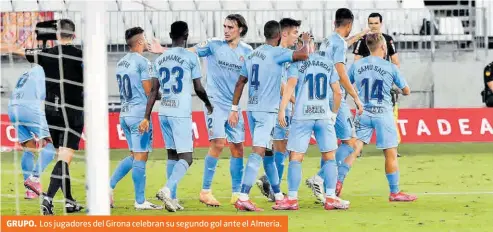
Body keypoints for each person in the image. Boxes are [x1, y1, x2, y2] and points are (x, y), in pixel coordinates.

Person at [148, 14, 253, 206]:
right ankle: (205, 191)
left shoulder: (247, 51)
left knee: (238, 147)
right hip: (214, 103)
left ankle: (236, 193)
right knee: (219, 143)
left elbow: (248, 78)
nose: (226, 30)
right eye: (225, 26)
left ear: (241, 29)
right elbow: (188, 51)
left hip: (235, 106)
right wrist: (163, 50)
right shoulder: (213, 44)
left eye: (230, 27)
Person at [2, 19, 84, 215]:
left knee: (54, 154)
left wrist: (4, 44)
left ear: (57, 36)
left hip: (45, 111)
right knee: (64, 157)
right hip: (70, 112)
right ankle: (45, 195)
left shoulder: (45, 55)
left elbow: (18, 50)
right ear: (74, 35)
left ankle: (69, 201)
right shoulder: (81, 56)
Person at [227, 20, 310, 212]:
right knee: (258, 152)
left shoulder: (252, 54)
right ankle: (243, 196)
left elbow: (240, 82)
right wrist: (304, 41)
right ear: (279, 35)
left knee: (269, 153)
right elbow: (304, 55)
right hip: (267, 112)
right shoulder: (278, 53)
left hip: (252, 110)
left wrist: (234, 107)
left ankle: (279, 195)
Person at [139, 21, 213, 212]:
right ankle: (166, 189)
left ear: (170, 36)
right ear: (187, 35)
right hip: (180, 113)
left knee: (172, 154)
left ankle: (172, 197)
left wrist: (147, 116)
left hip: (163, 111)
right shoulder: (190, 57)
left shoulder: (160, 59)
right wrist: (207, 103)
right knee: (187, 157)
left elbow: (154, 91)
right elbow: (198, 87)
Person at [273, 35, 349, 211]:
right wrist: (333, 114)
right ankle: (330, 198)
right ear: (313, 45)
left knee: (296, 158)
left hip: (302, 116)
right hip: (323, 116)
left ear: (300, 46)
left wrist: (282, 108)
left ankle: (292, 199)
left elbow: (290, 86)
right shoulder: (327, 62)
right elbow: (338, 93)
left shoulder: (297, 63)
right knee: (329, 157)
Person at [348, 33, 417, 202]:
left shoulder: (356, 65)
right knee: (390, 154)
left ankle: (336, 185)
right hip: (383, 114)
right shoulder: (390, 67)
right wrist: (396, 90)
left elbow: (346, 84)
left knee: (354, 149)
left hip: (363, 112)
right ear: (383, 47)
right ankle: (394, 192)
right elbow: (407, 90)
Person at [306, 8, 364, 203]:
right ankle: (320, 178)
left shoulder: (328, 40)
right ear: (348, 25)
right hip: (334, 95)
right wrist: (355, 96)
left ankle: (323, 188)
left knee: (329, 145)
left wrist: (360, 35)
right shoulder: (338, 43)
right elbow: (340, 70)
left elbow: (344, 44)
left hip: (321, 95)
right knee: (350, 143)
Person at [108, 27, 162, 210]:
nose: (147, 40)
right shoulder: (143, 62)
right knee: (141, 157)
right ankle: (140, 201)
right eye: (145, 38)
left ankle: (108, 187)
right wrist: (164, 94)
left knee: (134, 155)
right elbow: (149, 92)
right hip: (140, 115)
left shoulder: (121, 62)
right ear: (139, 42)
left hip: (124, 113)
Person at [256, 17, 301, 202]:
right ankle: (275, 189)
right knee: (281, 149)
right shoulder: (280, 54)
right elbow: (281, 84)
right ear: (284, 34)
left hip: (272, 107)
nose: (297, 37)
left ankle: (271, 184)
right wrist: (295, 101)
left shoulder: (276, 53)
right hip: (277, 109)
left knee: (278, 149)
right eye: (295, 33)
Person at [353, 12, 402, 159]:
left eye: (376, 23)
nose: (373, 26)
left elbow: (396, 62)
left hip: (383, 86)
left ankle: (391, 148)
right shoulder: (363, 41)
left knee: (390, 116)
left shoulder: (388, 40)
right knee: (361, 114)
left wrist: (391, 80)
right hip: (367, 86)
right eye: (370, 23)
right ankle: (357, 149)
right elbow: (356, 62)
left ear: (381, 23)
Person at [8, 65, 56, 200]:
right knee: (54, 143)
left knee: (28, 148)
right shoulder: (48, 69)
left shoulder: (27, 72)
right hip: (28, 108)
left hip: (12, 108)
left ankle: (31, 191)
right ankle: (34, 178)